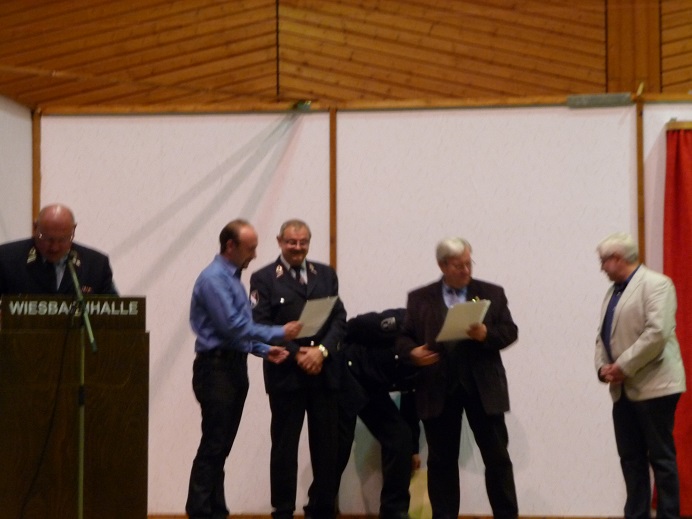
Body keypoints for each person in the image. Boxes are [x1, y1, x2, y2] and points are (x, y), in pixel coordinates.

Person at [186, 219, 302, 519]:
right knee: (214, 444)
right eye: (250, 249)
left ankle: (216, 510)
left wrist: (263, 349)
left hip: (232, 367)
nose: (254, 254)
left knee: (221, 446)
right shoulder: (214, 280)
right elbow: (233, 326)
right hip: (216, 370)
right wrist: (278, 333)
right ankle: (199, 510)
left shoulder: (232, 279)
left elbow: (235, 333)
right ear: (230, 246)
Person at [396, 237, 519, 519]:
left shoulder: (491, 292)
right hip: (437, 388)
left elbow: (510, 331)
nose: (466, 270)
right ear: (442, 266)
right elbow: (404, 337)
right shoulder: (420, 298)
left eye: (468, 263)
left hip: (483, 388)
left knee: (497, 458)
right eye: (458, 265)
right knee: (441, 462)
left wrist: (486, 334)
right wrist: (412, 352)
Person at [250, 219, 347, 519]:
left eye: (303, 242)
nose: (297, 247)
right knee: (284, 447)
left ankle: (322, 508)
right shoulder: (264, 278)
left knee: (327, 447)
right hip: (286, 374)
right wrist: (298, 354)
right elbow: (260, 324)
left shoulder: (325, 274)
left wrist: (321, 351)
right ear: (280, 241)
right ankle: (282, 510)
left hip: (323, 371)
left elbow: (339, 318)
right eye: (291, 242)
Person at [595, 232, 686, 519]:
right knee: (630, 459)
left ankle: (668, 514)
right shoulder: (613, 292)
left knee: (661, 458)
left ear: (617, 258)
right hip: (622, 389)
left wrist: (622, 366)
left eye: (603, 261)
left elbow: (657, 333)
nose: (601, 267)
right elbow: (602, 336)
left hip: (656, 386)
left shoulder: (657, 284)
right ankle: (636, 515)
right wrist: (602, 368)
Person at [337, 308, 416, 519]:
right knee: (338, 447)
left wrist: (414, 449)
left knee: (400, 437)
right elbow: (354, 326)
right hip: (347, 373)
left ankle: (394, 512)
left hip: (372, 387)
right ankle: (320, 509)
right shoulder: (402, 323)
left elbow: (411, 397)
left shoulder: (436, 356)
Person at [0, 203, 117, 296]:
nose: (54, 247)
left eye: (63, 240)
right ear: (35, 227)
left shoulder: (96, 265)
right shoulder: (5, 259)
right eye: (47, 239)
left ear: (73, 230)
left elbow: (114, 312)